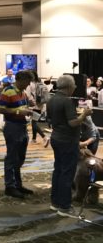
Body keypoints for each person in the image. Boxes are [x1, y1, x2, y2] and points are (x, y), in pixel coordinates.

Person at [48, 75, 93, 217]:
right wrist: (84, 114)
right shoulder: (66, 101)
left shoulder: (52, 99)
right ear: (69, 86)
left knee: (58, 170)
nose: (75, 87)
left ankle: (55, 202)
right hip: (67, 141)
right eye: (74, 85)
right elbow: (73, 123)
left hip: (56, 137)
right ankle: (65, 207)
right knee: (67, 173)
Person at [0, 70, 34, 198]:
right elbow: (0, 109)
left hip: (22, 127)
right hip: (12, 127)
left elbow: (21, 108)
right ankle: (10, 186)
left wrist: (28, 109)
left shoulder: (23, 93)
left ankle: (17, 184)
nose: (28, 84)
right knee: (11, 157)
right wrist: (19, 112)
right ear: (21, 80)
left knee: (20, 157)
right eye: (28, 82)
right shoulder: (8, 91)